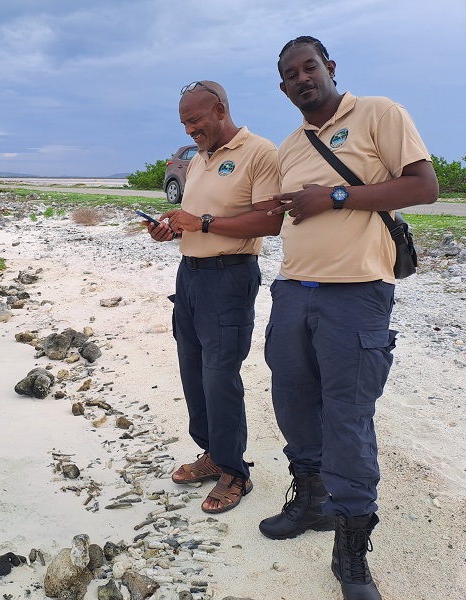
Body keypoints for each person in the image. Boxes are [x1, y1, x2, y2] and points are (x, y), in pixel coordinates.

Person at [261, 36, 438, 600]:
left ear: (329, 68)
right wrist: (195, 222)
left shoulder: (379, 113)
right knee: (291, 401)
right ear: (283, 86)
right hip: (292, 291)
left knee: (348, 418)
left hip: (357, 295)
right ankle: (311, 499)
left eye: (309, 67)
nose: (301, 78)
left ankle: (352, 553)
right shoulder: (290, 144)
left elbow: (424, 186)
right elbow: (273, 215)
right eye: (290, 74)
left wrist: (335, 196)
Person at [144, 80, 282, 514]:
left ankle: (235, 472)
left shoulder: (260, 152)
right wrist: (172, 228)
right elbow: (199, 220)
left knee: (220, 376)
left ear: (220, 109)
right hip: (190, 275)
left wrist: (200, 222)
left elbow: (269, 222)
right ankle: (212, 454)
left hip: (229, 278)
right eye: (184, 122)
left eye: (195, 120)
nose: (189, 130)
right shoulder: (201, 159)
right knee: (193, 371)